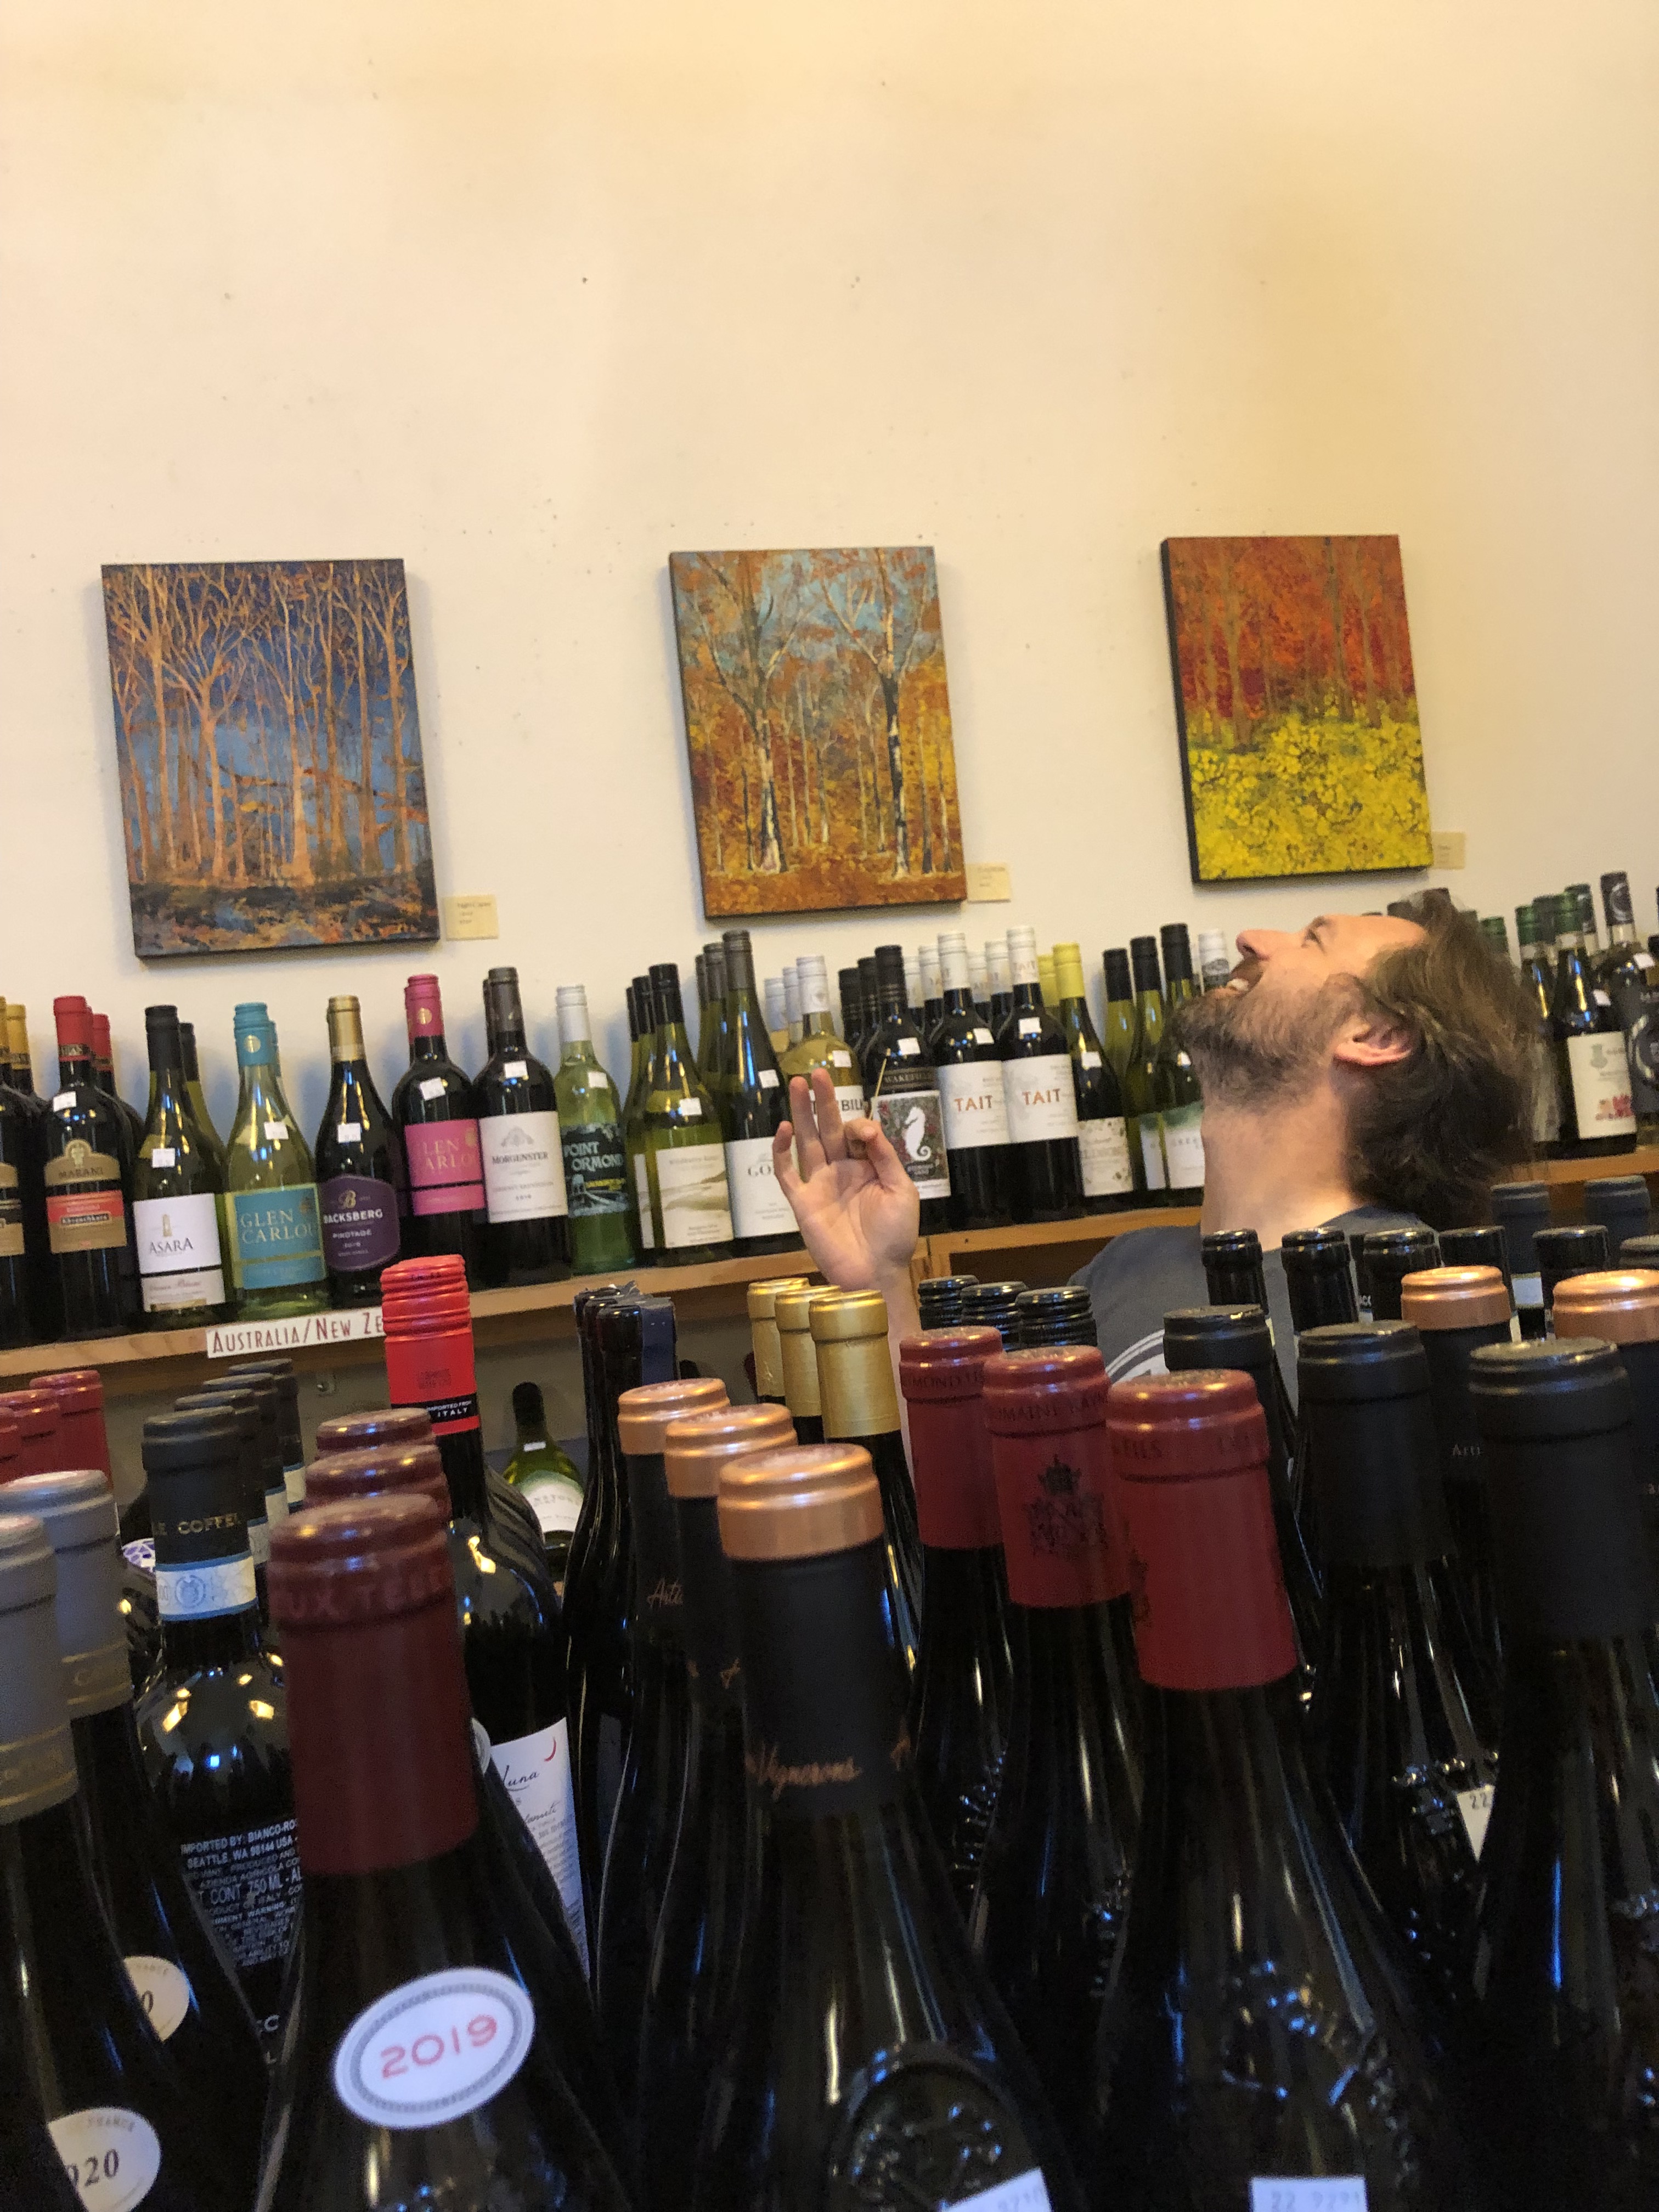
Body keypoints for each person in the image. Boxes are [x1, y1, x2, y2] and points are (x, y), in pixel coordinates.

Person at [772, 895, 1538, 1389]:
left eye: (1312, 941)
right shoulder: (1120, 1269)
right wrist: (878, 1279)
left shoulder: (1415, 1298)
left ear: (1376, 1035)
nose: (1253, 939)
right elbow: (974, 1503)